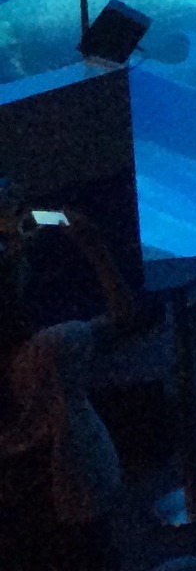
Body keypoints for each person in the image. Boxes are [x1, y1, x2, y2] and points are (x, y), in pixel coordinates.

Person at [0, 196, 135, 571]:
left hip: (18, 497)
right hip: (74, 486)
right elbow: (124, 317)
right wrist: (94, 247)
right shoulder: (52, 349)